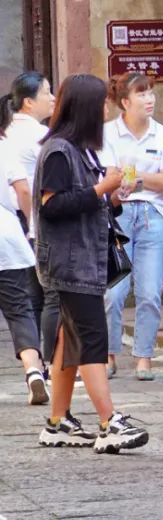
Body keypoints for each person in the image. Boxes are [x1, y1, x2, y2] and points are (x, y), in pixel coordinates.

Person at [32, 74, 149, 452]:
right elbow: (51, 206)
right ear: (84, 107)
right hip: (69, 263)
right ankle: (108, 422)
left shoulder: (81, 150)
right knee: (92, 337)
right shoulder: (59, 150)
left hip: (84, 258)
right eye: (101, 102)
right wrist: (100, 189)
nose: (105, 109)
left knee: (69, 339)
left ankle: (57, 421)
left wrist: (111, 196)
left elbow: (83, 202)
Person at [100, 72, 163, 381]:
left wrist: (139, 179)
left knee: (150, 291)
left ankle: (144, 357)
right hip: (118, 216)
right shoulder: (107, 134)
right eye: (141, 94)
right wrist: (124, 182)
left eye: (151, 93)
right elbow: (109, 177)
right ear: (125, 102)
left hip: (152, 216)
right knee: (113, 291)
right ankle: (109, 354)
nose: (149, 99)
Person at [5, 72, 57, 361]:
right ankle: (47, 360)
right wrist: (31, 223)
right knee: (45, 294)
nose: (52, 98)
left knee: (24, 297)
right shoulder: (40, 136)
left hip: (13, 220)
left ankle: (35, 361)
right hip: (29, 220)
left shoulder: (8, 131)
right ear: (28, 102)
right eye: (47, 93)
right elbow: (26, 189)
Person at [0, 100, 48, 405]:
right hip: (6, 235)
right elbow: (22, 188)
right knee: (20, 310)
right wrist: (31, 224)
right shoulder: (3, 149)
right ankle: (33, 370)